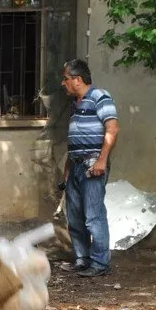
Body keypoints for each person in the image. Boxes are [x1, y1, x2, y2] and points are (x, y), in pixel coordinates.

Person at [60, 58, 119, 277]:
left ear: (77, 79)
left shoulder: (99, 97)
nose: (63, 83)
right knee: (74, 216)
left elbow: (112, 129)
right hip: (76, 165)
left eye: (66, 79)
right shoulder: (76, 104)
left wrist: (102, 160)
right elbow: (74, 139)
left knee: (93, 216)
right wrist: (67, 170)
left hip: (93, 164)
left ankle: (100, 264)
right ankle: (82, 259)